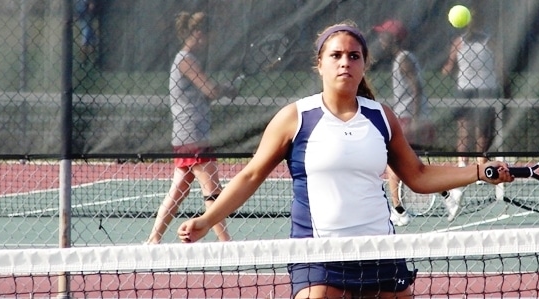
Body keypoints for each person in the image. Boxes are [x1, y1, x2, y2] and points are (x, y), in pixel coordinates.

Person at [177, 21, 514, 298]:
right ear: (320, 63)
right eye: (336, 55)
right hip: (319, 255)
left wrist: (478, 172)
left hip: (379, 250)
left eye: (354, 56)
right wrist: (207, 220)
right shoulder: (296, 117)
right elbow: (250, 176)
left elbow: (418, 176)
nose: (345, 62)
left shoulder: (381, 116)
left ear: (364, 64)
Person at [145, 11, 235, 245]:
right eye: (210, 36)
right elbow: (210, 90)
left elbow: (206, 91)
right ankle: (226, 243)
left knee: (179, 190)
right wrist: (226, 89)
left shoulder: (186, 59)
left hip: (188, 133)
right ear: (198, 33)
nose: (211, 42)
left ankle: (153, 240)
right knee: (212, 189)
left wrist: (225, 88)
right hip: (192, 135)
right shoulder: (186, 60)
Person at [373, 19, 464, 224]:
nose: (380, 39)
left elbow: (417, 89)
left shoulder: (403, 59)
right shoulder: (402, 59)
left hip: (408, 119)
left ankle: (399, 211)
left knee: (394, 162)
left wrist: (414, 121)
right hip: (407, 117)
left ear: (393, 38)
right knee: (411, 166)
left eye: (383, 35)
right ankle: (447, 194)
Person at [441, 9, 511, 169]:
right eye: (471, 19)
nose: (473, 23)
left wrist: (506, 86)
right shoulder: (459, 42)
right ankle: (462, 163)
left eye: (476, 19)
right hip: (465, 89)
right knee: (464, 128)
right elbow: (449, 67)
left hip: (486, 89)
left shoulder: (489, 41)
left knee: (482, 129)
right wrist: (446, 69)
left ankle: (481, 163)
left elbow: (500, 67)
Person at [74, 0, 98, 64]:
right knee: (86, 37)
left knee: (92, 38)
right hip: (84, 18)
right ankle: (84, 59)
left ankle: (91, 59)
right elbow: (81, 9)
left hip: (87, 18)